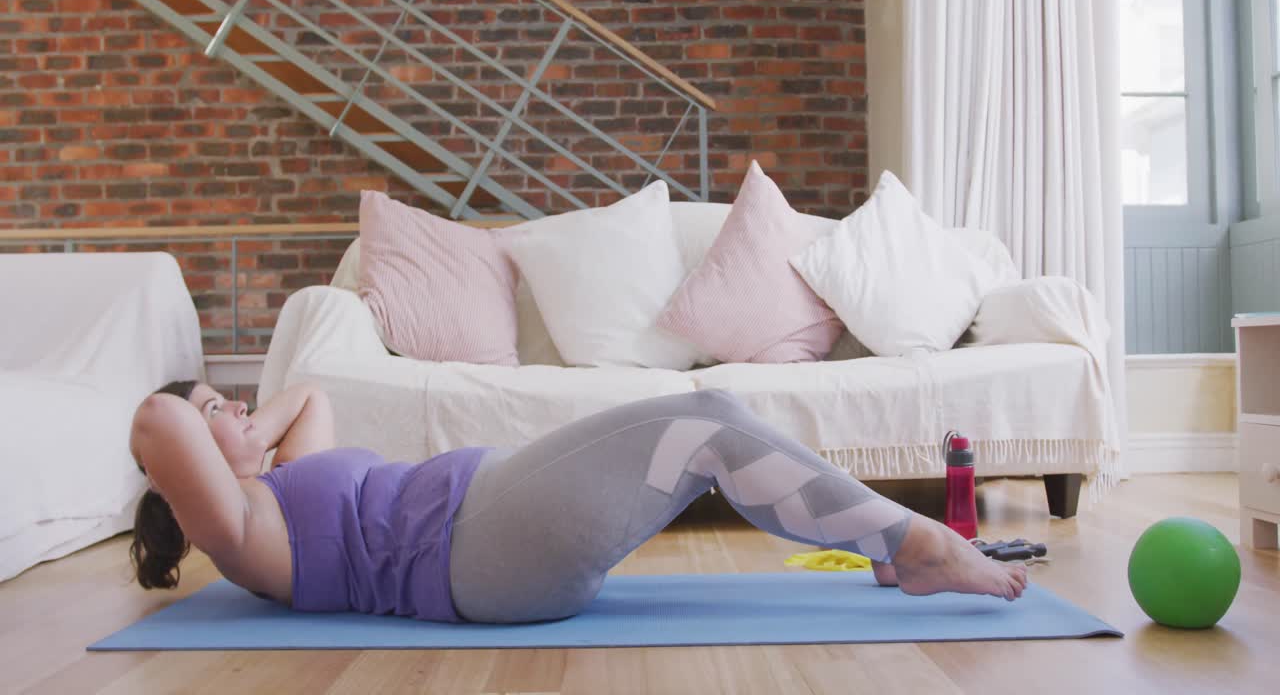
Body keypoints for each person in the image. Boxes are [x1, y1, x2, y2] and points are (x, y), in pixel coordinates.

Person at [129, 382, 1027, 624]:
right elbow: (154, 415)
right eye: (219, 407)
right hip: (475, 547)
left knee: (715, 416)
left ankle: (887, 546)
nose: (242, 406)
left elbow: (312, 395)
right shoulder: (241, 532)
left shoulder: (277, 494)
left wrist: (239, 436)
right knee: (706, 420)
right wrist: (215, 436)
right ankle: (914, 546)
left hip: (490, 521)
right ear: (186, 484)